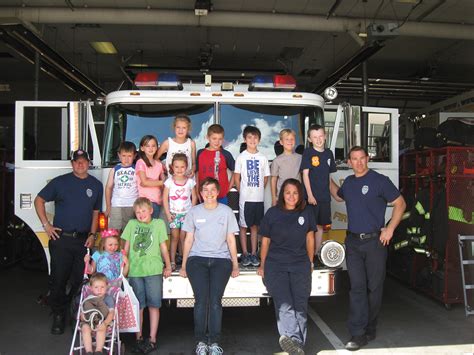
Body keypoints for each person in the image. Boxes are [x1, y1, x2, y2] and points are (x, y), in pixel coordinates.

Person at [337, 146, 406, 351]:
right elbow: (338, 196)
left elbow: (400, 203)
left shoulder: (379, 181)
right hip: (353, 243)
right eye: (354, 159)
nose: (358, 162)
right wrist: (323, 176)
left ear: (368, 159)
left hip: (375, 242)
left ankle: (370, 327)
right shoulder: (348, 183)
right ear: (349, 162)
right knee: (357, 287)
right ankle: (357, 333)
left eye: (361, 158)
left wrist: (390, 229)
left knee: (374, 288)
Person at [34, 149, 103, 335]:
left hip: (83, 241)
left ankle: (74, 315)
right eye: (76, 162)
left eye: (83, 161)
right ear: (72, 164)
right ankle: (58, 315)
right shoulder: (60, 182)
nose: (80, 164)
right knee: (58, 280)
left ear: (89, 163)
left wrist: (92, 234)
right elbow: (39, 200)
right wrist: (46, 225)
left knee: (79, 281)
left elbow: (96, 212)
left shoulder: (96, 185)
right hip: (61, 239)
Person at [180, 178, 240, 355]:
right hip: (196, 260)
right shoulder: (193, 212)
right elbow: (188, 239)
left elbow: (231, 239)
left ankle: (214, 342)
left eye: (212, 190)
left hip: (221, 261)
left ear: (218, 192)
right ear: (200, 193)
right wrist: (183, 266)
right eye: (205, 190)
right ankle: (200, 342)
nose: (209, 193)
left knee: (214, 302)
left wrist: (235, 265)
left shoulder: (227, 212)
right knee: (201, 301)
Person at [257, 179, 315, 355]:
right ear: (282, 194)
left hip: (300, 264)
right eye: (288, 192)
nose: (291, 196)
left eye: (295, 193)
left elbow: (310, 238)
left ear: (300, 195)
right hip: (276, 264)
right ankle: (295, 341)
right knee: (284, 304)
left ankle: (296, 345)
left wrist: (310, 261)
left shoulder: (307, 213)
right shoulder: (272, 213)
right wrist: (263, 264)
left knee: (300, 304)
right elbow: (265, 241)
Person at [121, 197, 172, 354]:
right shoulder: (131, 224)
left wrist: (168, 266)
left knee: (154, 305)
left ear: (151, 210)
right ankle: (139, 337)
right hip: (135, 271)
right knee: (139, 306)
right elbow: (126, 248)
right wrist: (123, 266)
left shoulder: (158, 224)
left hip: (154, 270)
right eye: (137, 212)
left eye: (144, 211)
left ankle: (152, 339)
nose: (141, 214)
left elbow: (163, 247)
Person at [300, 124, 341, 256]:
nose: (318, 139)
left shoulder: (329, 153)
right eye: (314, 137)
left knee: (320, 226)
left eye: (320, 136)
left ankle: (316, 253)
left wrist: (334, 194)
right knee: (309, 227)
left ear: (325, 136)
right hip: (311, 198)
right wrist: (310, 196)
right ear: (309, 139)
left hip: (324, 198)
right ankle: (307, 254)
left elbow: (328, 177)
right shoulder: (308, 152)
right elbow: (305, 175)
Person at [234, 125, 270, 267]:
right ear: (244, 139)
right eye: (249, 137)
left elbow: (266, 178)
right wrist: (241, 190)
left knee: (255, 227)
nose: (252, 140)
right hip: (245, 199)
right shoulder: (241, 157)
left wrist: (259, 189)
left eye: (255, 137)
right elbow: (237, 177)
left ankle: (254, 253)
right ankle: (245, 253)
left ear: (259, 140)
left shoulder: (262, 158)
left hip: (258, 199)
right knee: (243, 226)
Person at [163, 153, 197, 270]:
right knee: (174, 237)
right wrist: (168, 214)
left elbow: (194, 197)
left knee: (185, 237)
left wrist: (191, 213)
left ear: (186, 167)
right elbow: (165, 199)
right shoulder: (169, 182)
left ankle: (185, 259)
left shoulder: (190, 182)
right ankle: (172, 261)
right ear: (172, 167)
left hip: (186, 214)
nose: (179, 169)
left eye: (182, 167)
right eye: (176, 167)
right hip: (174, 214)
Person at [196, 124, 235, 205]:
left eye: (220, 139)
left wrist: (228, 188)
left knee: (221, 217)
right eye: (214, 138)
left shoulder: (225, 154)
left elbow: (235, 171)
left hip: (221, 196)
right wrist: (197, 190)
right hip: (204, 195)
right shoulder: (200, 153)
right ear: (207, 137)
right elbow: (197, 172)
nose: (217, 142)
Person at [104, 141, 138, 231]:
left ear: (134, 156)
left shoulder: (137, 169)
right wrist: (108, 206)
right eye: (124, 156)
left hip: (132, 205)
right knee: (113, 231)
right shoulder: (115, 170)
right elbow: (108, 188)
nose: (126, 159)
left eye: (129, 156)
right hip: (116, 204)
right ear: (119, 155)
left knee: (129, 233)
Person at [80, 272, 115, 355]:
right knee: (85, 328)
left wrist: (105, 323)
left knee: (101, 328)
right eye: (96, 287)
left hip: (102, 321)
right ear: (91, 288)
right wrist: (83, 317)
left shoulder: (108, 299)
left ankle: (98, 351)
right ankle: (88, 351)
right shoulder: (88, 298)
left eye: (102, 287)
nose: (99, 290)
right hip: (89, 321)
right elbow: (83, 314)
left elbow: (111, 313)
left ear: (107, 287)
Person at [136, 135, 165, 219]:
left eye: (153, 146)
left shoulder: (159, 164)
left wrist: (152, 181)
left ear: (157, 148)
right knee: (146, 228)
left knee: (154, 228)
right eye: (147, 146)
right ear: (142, 148)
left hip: (157, 201)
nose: (150, 148)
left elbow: (164, 182)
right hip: (145, 202)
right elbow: (144, 182)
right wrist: (160, 182)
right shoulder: (140, 162)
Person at [270, 129, 302, 206]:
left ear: (295, 141)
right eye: (286, 139)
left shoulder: (301, 158)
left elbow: (304, 176)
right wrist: (274, 198)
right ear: (281, 142)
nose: (289, 141)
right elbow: (273, 180)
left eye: (292, 139)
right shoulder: (277, 160)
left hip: (297, 196)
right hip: (282, 196)